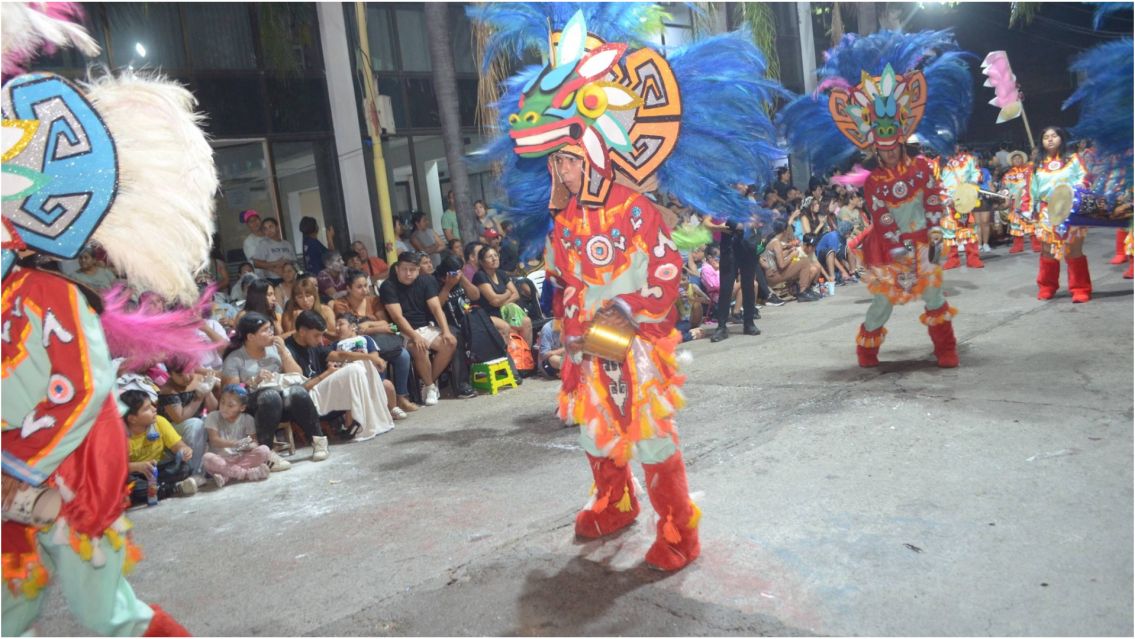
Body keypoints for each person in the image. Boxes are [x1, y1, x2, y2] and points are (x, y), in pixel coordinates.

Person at [3, 13, 212, 631]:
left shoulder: (48, 294)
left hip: (69, 478)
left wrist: (18, 463)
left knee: (110, 618)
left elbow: (82, 390)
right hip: (15, 484)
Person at [779, 30, 971, 368]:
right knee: (882, 304)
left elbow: (933, 202)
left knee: (933, 295)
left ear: (901, 140)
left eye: (892, 145)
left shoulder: (922, 168)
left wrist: (936, 234)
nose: (887, 151)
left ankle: (946, 349)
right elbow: (881, 217)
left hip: (924, 242)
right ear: (873, 148)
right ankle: (866, 351)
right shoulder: (875, 182)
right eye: (881, 148)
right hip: (890, 249)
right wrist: (900, 248)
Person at [220, 313, 329, 464]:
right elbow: (230, 396)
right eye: (265, 330)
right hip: (253, 407)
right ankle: (266, 454)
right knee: (270, 396)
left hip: (281, 401)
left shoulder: (276, 349)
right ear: (250, 337)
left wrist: (284, 352)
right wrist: (253, 381)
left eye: (271, 328)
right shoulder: (235, 359)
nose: (271, 333)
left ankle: (318, 441)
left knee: (297, 391)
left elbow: (297, 375)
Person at [285, 311, 397, 442]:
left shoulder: (313, 343)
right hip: (307, 398)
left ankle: (373, 421)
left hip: (321, 390)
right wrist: (327, 373)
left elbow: (339, 355)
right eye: (316, 336)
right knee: (353, 370)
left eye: (321, 335)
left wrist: (370, 357)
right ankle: (359, 427)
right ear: (302, 331)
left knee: (361, 363)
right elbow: (299, 390)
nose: (320, 341)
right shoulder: (288, 349)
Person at [1022, 126, 1093, 302]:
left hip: (1072, 208)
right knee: (1047, 251)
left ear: (1061, 138)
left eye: (1054, 136)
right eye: (1046, 137)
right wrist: (1027, 209)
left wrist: (1082, 185)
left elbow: (1086, 177)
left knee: (1074, 250)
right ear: (1042, 141)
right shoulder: (1035, 166)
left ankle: (1080, 288)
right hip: (1047, 211)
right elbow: (1030, 190)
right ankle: (1047, 286)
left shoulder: (1073, 159)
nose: (1050, 139)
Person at [378, 252, 458, 406]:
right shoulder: (388, 286)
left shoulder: (425, 281)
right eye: (404, 269)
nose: (408, 273)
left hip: (424, 326)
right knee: (419, 347)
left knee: (451, 342)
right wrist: (414, 336)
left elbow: (436, 308)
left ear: (418, 270)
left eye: (412, 269)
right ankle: (429, 387)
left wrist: (446, 331)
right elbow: (397, 318)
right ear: (397, 269)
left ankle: (428, 382)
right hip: (397, 330)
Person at [122, 388, 199, 504]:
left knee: (185, 467)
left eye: (152, 405)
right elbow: (113, 468)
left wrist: (184, 451)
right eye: (147, 408)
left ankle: (158, 489)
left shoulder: (159, 422)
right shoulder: (119, 435)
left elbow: (178, 446)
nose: (154, 409)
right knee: (128, 484)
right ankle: (172, 488)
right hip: (137, 474)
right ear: (132, 419)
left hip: (157, 471)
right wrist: (138, 466)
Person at [201, 385, 271, 488]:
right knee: (207, 458)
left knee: (264, 450)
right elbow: (214, 440)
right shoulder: (213, 416)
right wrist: (236, 443)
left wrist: (249, 445)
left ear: (242, 407)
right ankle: (247, 474)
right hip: (222, 460)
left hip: (241, 457)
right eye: (222, 402)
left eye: (230, 405)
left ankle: (227, 476)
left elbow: (253, 441)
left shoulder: (247, 419)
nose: (224, 408)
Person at [155, 360, 217, 478]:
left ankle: (219, 464)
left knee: (216, 420)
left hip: (196, 425)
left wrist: (208, 392)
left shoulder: (199, 378)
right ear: (170, 374)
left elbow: (213, 410)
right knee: (195, 424)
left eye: (189, 371)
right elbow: (179, 418)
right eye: (179, 375)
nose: (186, 377)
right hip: (172, 432)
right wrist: (198, 398)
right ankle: (193, 471)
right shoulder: (168, 390)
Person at [473, 245, 533, 347]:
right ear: (482, 262)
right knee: (509, 328)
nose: (494, 259)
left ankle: (526, 357)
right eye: (489, 257)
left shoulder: (501, 273)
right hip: (488, 314)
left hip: (504, 311)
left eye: (495, 255)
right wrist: (507, 293)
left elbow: (516, 294)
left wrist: (501, 302)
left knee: (526, 322)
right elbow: (495, 300)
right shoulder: (480, 276)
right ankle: (512, 358)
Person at [939, 148, 985, 269]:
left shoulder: (968, 158)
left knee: (968, 229)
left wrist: (971, 185)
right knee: (948, 230)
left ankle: (973, 258)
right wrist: (943, 197)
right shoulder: (939, 160)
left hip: (964, 198)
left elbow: (977, 173)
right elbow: (935, 180)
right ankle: (952, 259)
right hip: (947, 200)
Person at [761, 220, 823, 302]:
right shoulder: (776, 243)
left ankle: (805, 290)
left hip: (773, 273)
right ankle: (803, 291)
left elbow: (778, 257)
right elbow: (781, 265)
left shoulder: (774, 241)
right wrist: (792, 255)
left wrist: (789, 251)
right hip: (774, 275)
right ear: (784, 231)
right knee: (804, 261)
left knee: (801, 260)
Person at [1002, 150, 1037, 254]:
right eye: (1015, 158)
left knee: (1030, 221)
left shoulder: (1028, 169)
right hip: (1014, 202)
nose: (1017, 160)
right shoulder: (1007, 174)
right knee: (1015, 223)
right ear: (1011, 161)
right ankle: (1018, 245)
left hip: (1027, 200)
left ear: (1022, 159)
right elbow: (1005, 188)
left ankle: (1036, 244)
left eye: (1019, 158)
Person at [252, 217, 297, 282]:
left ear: (277, 227)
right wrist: (275, 263)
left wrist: (287, 262)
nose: (269, 230)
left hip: (290, 278)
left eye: (271, 227)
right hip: (274, 280)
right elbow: (256, 264)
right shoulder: (263, 244)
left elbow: (294, 261)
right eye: (265, 229)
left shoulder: (287, 244)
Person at [816, 221, 856, 285]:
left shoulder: (843, 237)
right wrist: (843, 271)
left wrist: (847, 270)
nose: (850, 233)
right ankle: (833, 278)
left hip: (830, 256)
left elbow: (840, 256)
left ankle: (852, 272)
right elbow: (833, 256)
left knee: (848, 249)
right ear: (844, 230)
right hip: (821, 258)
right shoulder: (833, 236)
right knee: (831, 252)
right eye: (849, 231)